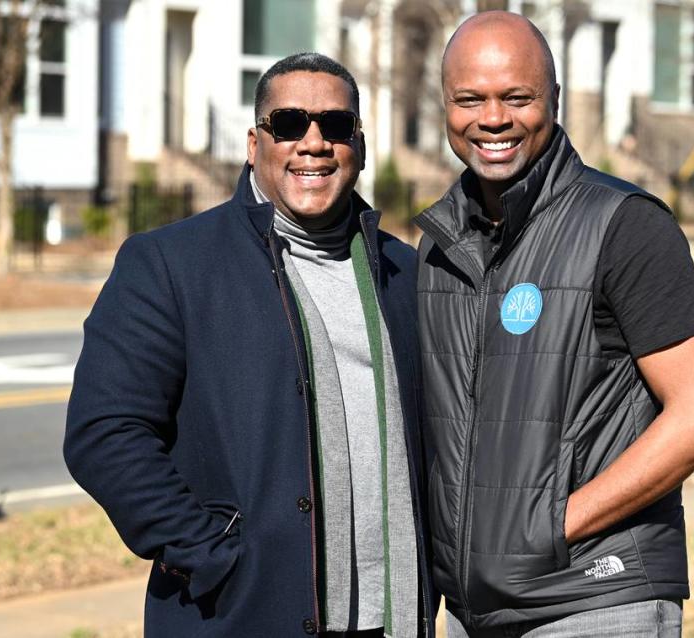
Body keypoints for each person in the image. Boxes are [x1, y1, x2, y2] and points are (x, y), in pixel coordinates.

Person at [65, 52, 434, 637]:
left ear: (358, 147)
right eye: (288, 124)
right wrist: (209, 554)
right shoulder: (169, 264)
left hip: (393, 622)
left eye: (335, 126)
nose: (312, 143)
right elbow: (106, 433)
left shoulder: (406, 272)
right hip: (241, 614)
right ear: (253, 143)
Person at [414, 12, 694, 637]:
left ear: (554, 102)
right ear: (445, 106)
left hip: (596, 601)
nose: (493, 118)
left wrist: (550, 526)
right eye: (470, 99)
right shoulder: (437, 246)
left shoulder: (625, 224)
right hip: (474, 613)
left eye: (517, 98)